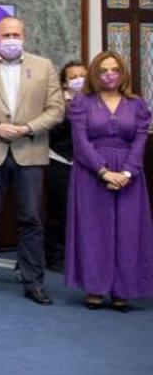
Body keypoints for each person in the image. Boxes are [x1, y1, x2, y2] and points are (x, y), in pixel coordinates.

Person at [0, 16, 64, 305]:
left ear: (25, 36)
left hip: (29, 152)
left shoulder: (44, 67)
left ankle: (34, 283)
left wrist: (30, 128)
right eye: (6, 35)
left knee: (31, 219)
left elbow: (56, 109)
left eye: (16, 34)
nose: (11, 39)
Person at [65, 51, 153, 310]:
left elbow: (140, 140)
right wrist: (104, 172)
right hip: (91, 175)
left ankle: (122, 289)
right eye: (103, 70)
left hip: (130, 176)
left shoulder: (137, 104)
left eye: (114, 69)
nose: (109, 74)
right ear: (95, 74)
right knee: (94, 231)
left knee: (128, 232)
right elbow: (80, 143)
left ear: (123, 72)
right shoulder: (82, 103)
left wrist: (126, 173)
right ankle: (95, 287)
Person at [44, 61, 85, 272]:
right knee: (58, 211)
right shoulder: (57, 104)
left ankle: (79, 254)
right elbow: (49, 135)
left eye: (82, 75)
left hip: (85, 163)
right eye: (73, 76)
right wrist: (66, 112)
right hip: (59, 160)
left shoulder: (94, 101)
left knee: (83, 211)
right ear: (64, 82)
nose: (79, 80)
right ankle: (55, 257)